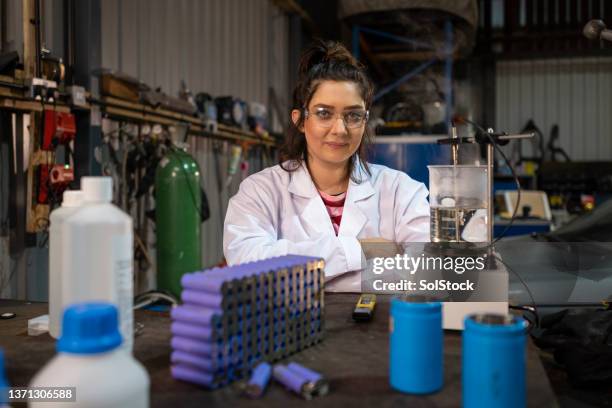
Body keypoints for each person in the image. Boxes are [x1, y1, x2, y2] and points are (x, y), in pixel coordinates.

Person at [223, 39, 429, 291]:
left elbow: (428, 269)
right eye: (324, 113)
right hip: (289, 327)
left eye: (353, 115)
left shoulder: (401, 190)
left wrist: (300, 273)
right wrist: (361, 249)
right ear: (300, 120)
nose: (339, 129)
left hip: (381, 326)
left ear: (365, 121)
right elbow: (247, 266)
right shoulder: (260, 190)